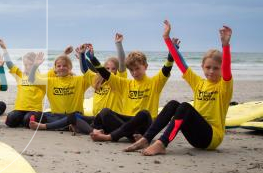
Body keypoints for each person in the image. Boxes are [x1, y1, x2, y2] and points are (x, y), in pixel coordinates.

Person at [125, 20, 233, 155]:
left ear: (221, 69)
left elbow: (227, 69)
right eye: (208, 67)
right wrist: (166, 39)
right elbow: (181, 63)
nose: (211, 71)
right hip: (195, 137)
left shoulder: (224, 86)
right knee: (173, 104)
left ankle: (161, 143)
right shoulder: (199, 83)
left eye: (216, 68)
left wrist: (225, 45)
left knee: (185, 107)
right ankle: (147, 138)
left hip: (211, 138)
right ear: (202, 67)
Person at [87, 39, 178, 142]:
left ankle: (112, 136)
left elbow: (166, 70)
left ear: (146, 66)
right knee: (105, 112)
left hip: (144, 125)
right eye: (131, 70)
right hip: (126, 123)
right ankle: (133, 136)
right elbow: (106, 74)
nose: (134, 73)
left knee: (144, 113)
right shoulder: (125, 84)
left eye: (137, 68)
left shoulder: (155, 82)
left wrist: (171, 56)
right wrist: (93, 59)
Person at [27, 51, 94, 132]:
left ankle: (53, 126)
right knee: (35, 115)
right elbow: (31, 80)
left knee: (73, 117)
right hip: (56, 116)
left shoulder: (80, 80)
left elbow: (92, 75)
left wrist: (83, 60)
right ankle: (67, 126)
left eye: (65, 65)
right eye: (59, 66)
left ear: (70, 67)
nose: (61, 68)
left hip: (74, 115)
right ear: (55, 68)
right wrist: (35, 65)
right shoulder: (49, 81)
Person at [0, 38, 46, 128]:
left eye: (31, 64)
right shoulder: (20, 75)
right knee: (10, 120)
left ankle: (26, 120)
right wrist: (4, 48)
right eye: (25, 65)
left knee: (27, 121)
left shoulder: (41, 78)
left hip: (34, 110)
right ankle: (20, 119)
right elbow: (10, 65)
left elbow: (56, 72)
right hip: (20, 109)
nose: (27, 67)